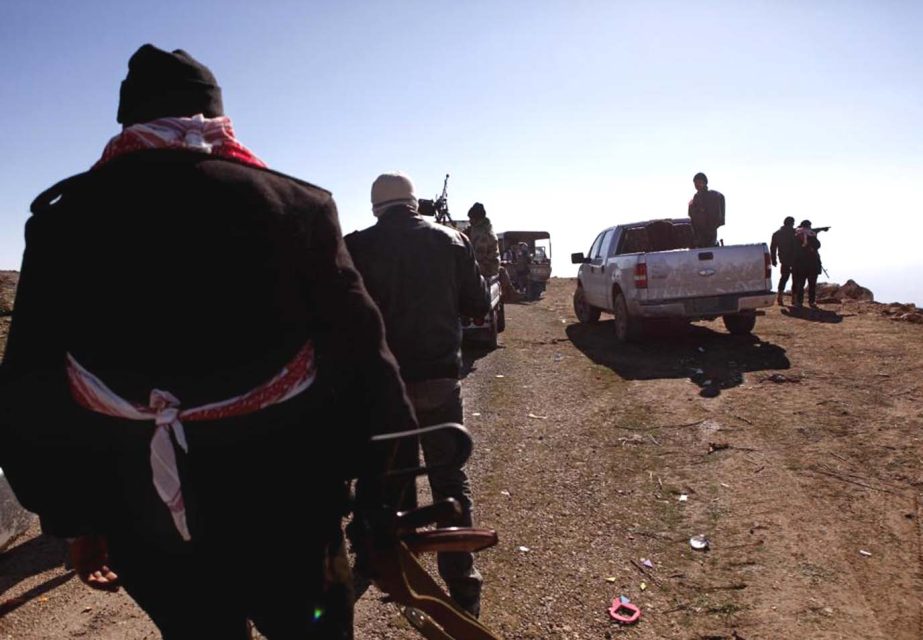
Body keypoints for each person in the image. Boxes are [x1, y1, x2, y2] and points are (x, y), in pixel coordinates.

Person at [0, 44, 415, 640]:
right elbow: (367, 362)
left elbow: (29, 389)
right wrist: (381, 495)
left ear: (128, 121)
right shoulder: (296, 205)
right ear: (216, 117)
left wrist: (75, 518)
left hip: (143, 520)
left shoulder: (61, 221)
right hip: (289, 512)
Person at [346, 172, 490, 618]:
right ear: (414, 202)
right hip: (439, 383)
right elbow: (479, 305)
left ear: (376, 208)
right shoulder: (452, 240)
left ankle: (396, 570)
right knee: (449, 480)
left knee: (393, 481)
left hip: (384, 390)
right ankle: (463, 587)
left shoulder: (355, 247)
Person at [467, 202, 518, 302]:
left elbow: (478, 257)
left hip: (487, 267)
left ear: (477, 219)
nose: (470, 221)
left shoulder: (483, 235)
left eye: (471, 218)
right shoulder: (483, 229)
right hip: (490, 265)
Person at [687, 172, 726, 248]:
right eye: (695, 183)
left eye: (699, 182)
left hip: (709, 233)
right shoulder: (696, 197)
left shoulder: (711, 196)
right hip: (698, 233)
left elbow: (713, 216)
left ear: (704, 183)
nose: (697, 185)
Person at [792, 219, 823, 309]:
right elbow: (817, 245)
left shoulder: (796, 235)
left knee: (800, 283)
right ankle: (811, 301)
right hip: (812, 263)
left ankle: (799, 302)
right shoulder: (811, 234)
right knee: (812, 284)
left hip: (800, 264)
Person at [770, 216, 797, 305]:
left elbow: (773, 248)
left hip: (783, 259)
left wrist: (773, 260)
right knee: (795, 278)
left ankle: (780, 297)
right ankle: (794, 299)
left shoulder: (777, 233)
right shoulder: (794, 233)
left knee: (784, 277)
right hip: (795, 259)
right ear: (791, 223)